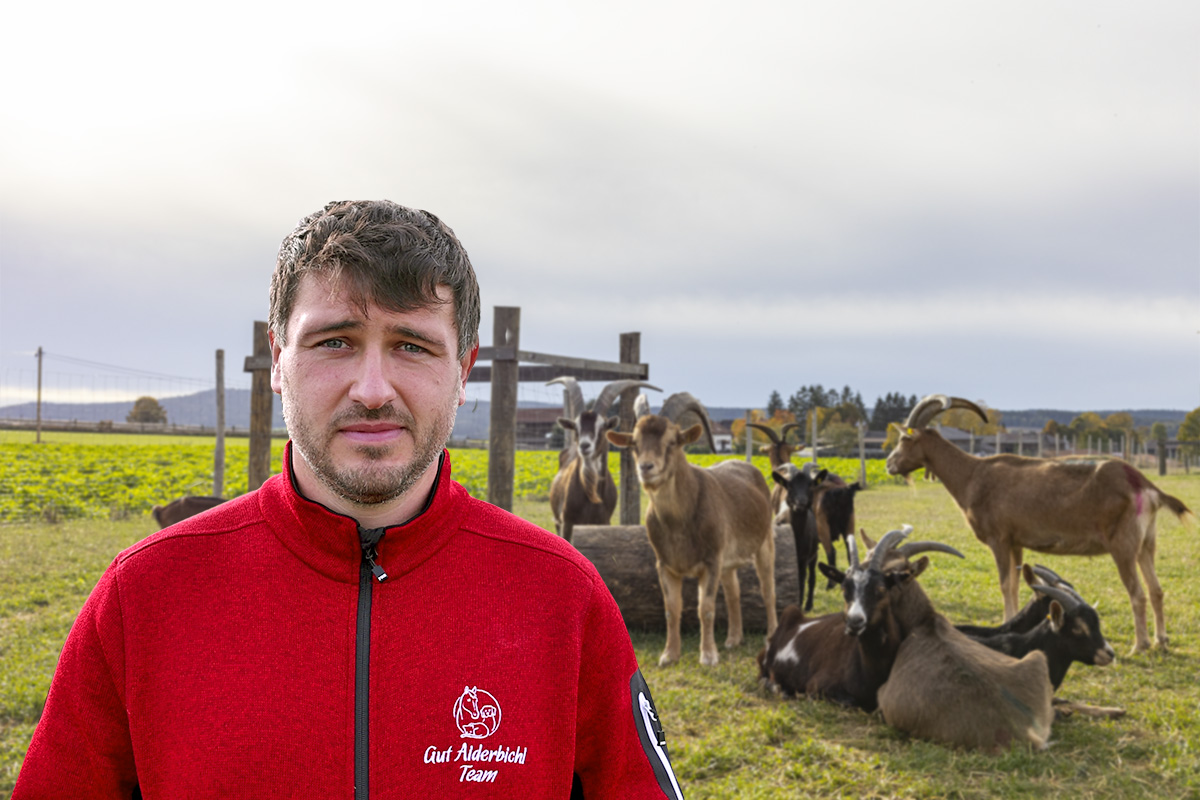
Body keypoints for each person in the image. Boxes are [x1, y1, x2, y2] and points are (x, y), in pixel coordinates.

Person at [15, 200, 684, 799]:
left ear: (463, 371)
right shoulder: (145, 597)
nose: (371, 388)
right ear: (279, 359)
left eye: (412, 346)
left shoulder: (562, 599)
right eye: (334, 341)